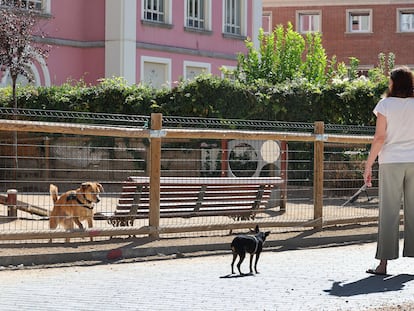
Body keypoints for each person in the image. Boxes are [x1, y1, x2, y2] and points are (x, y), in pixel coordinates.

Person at [364, 66, 414, 275]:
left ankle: (383, 264)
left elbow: (380, 138)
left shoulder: (385, 105)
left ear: (394, 83)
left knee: (389, 212)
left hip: (391, 161)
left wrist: (368, 165)